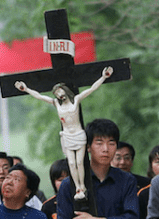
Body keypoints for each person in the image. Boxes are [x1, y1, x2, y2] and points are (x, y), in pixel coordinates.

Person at [15, 67, 113, 200]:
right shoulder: (56, 103)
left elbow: (91, 89)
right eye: (56, 93)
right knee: (71, 163)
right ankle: (77, 187)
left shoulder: (76, 100)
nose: (59, 95)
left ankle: (82, 186)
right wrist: (26, 89)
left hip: (78, 134)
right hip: (67, 136)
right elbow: (40, 96)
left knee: (80, 162)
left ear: (65, 91)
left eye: (60, 91)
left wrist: (103, 77)